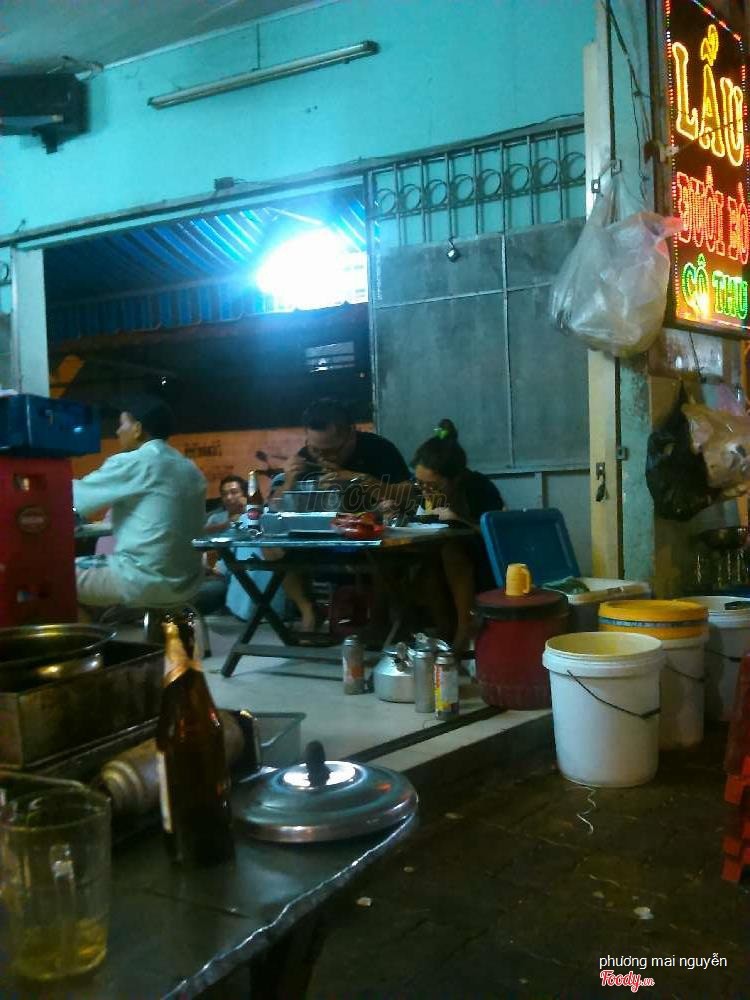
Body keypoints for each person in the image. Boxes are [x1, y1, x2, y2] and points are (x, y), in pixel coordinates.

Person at [270, 398, 411, 632]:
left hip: (367, 539)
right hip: (322, 539)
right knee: (272, 546)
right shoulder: (306, 458)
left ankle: (379, 621)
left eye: (332, 451)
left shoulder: (378, 449)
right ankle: (308, 610)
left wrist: (360, 480)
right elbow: (274, 508)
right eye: (316, 450)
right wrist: (288, 482)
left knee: (384, 546)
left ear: (351, 434)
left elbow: (409, 494)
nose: (323, 458)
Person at [73, 395, 206, 612]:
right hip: (188, 582)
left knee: (51, 575)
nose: (117, 432)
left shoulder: (135, 461)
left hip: (141, 579)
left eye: (121, 424)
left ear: (137, 429)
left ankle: (86, 634)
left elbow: (74, 497)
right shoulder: (190, 468)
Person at [411, 418, 504, 656]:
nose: (425, 490)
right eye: (420, 483)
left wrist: (457, 518)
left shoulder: (478, 487)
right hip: (438, 558)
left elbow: (499, 532)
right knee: (424, 559)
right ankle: (442, 632)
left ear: (455, 478)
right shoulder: (424, 492)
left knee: (451, 550)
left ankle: (464, 631)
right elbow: (418, 519)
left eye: (432, 485)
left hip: (484, 559)